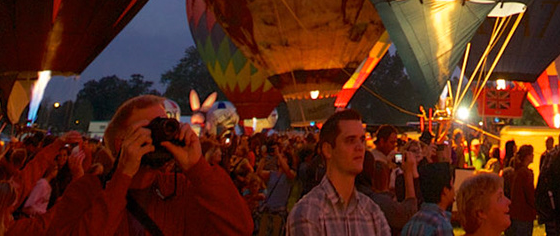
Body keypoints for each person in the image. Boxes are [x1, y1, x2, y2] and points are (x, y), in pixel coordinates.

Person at [58, 94, 252, 236]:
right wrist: (122, 177)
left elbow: (240, 228)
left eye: (165, 125)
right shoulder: (87, 190)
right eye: (149, 128)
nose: (160, 133)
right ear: (120, 143)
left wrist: (198, 168)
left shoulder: (180, 189)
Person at [289, 111, 388, 236]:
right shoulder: (308, 213)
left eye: (362, 140)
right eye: (350, 140)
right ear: (328, 150)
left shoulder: (372, 212)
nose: (360, 147)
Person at [403, 164, 457, 236]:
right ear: (445, 191)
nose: (454, 190)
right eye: (452, 184)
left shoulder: (411, 222)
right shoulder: (441, 225)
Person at [508, 148, 538, 236]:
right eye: (531, 154)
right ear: (527, 156)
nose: (533, 156)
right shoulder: (526, 173)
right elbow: (530, 195)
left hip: (516, 213)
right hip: (525, 214)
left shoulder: (516, 171)